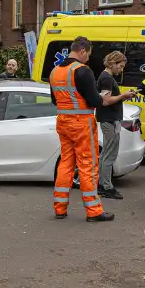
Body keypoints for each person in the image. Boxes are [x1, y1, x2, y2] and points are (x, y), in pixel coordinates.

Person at [50, 37, 114, 222]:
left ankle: (60, 208)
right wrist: (100, 96)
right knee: (87, 165)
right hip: (81, 123)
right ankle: (93, 211)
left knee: (66, 163)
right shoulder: (83, 71)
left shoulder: (55, 72)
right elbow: (95, 101)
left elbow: (55, 100)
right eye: (89, 55)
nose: (88, 59)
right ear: (83, 51)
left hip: (63, 121)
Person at [96, 51, 138, 200]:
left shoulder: (105, 77)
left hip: (109, 119)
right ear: (112, 63)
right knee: (109, 154)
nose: (121, 70)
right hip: (110, 120)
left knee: (106, 153)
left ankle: (102, 184)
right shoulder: (107, 78)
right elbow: (106, 101)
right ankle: (106, 186)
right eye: (120, 66)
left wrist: (122, 96)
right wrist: (124, 96)